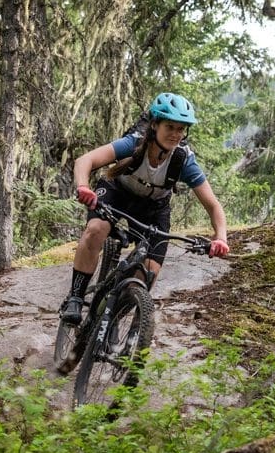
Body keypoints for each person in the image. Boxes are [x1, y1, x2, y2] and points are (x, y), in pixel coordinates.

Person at [58, 91, 230, 324]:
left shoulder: (183, 159)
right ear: (155, 124)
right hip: (117, 193)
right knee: (96, 229)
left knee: (149, 272)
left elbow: (213, 205)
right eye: (170, 127)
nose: (176, 134)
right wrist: (83, 187)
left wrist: (221, 238)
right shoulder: (134, 143)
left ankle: (112, 319)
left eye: (181, 129)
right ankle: (76, 298)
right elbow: (84, 161)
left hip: (154, 207)